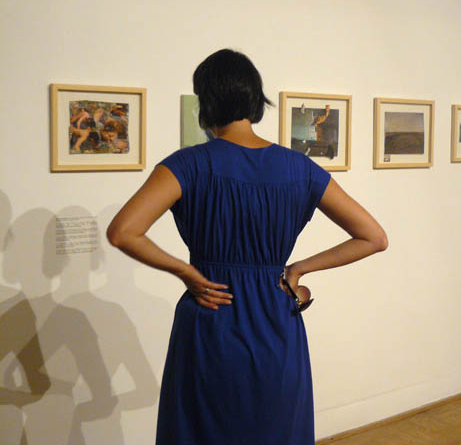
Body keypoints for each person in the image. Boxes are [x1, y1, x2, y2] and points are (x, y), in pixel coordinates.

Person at [106, 49, 388, 444]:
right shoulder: (300, 167)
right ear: (255, 100)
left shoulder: (188, 165)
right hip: (276, 320)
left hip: (212, 311)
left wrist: (186, 272)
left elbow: (123, 232)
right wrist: (298, 269)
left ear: (206, 103)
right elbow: (374, 237)